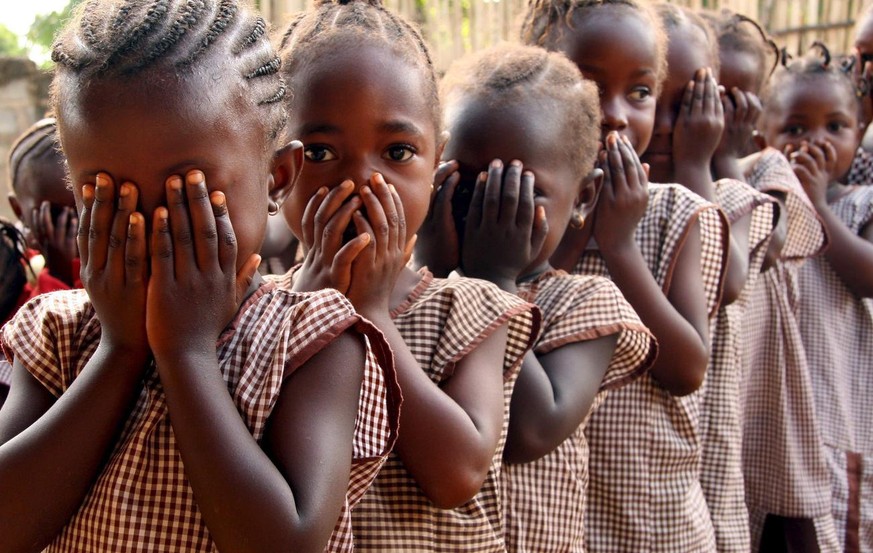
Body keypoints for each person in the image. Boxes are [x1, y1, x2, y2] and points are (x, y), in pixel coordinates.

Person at [0, 1, 402, 551]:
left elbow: (287, 541)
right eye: (108, 196)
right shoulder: (57, 336)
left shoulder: (312, 342)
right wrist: (119, 350)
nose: (148, 227)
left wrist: (185, 353)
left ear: (277, 178)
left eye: (187, 194)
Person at [277, 2, 539, 551]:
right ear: (276, 170)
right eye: (321, 152)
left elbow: (459, 475)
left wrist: (370, 314)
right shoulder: (256, 314)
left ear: (436, 162)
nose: (362, 180)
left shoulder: (469, 310)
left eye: (398, 152)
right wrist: (310, 308)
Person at [414, 43, 657, 552]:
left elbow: (530, 430)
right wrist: (433, 270)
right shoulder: (413, 289)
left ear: (583, 199)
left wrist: (491, 280)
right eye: (464, 187)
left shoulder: (587, 305)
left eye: (517, 192)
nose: (485, 212)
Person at [520, 1, 729, 550]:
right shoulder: (522, 219)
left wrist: (618, 246)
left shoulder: (677, 214)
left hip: (654, 520)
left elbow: (687, 368)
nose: (615, 113)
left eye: (638, 92)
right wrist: (567, 237)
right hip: (552, 520)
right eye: (589, 86)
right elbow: (512, 331)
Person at [760, 43, 873, 553]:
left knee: (833, 532)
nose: (815, 141)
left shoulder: (860, 205)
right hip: (771, 417)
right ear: (765, 135)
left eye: (835, 127)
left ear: (860, 132)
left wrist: (821, 204)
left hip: (838, 418)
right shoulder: (762, 205)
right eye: (796, 129)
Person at [7, 118, 81, 299]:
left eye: (84, 209)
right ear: (18, 210)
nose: (74, 228)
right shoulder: (12, 273)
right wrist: (57, 274)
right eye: (55, 215)